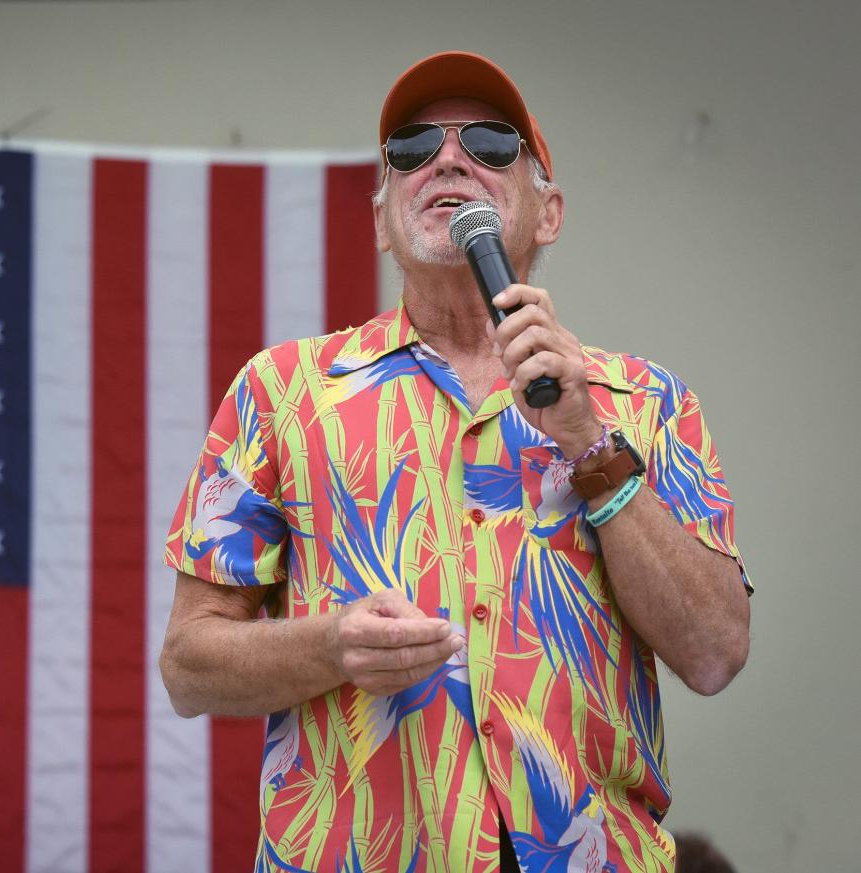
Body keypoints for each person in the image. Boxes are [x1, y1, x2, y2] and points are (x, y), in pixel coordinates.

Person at [159, 51, 751, 872]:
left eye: (489, 141)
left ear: (548, 214)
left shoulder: (647, 401)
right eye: (410, 147)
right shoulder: (282, 391)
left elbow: (716, 650)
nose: (446, 158)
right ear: (380, 221)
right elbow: (188, 665)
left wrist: (586, 439)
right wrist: (331, 646)